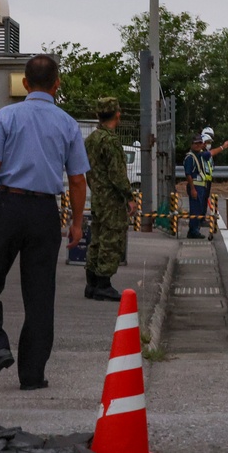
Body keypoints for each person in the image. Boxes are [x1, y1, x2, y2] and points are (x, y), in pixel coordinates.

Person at [0, 54, 89, 390]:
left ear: (24, 83)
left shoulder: (7, 116)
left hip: (7, 206)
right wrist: (76, 223)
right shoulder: (67, 123)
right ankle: (32, 375)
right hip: (45, 213)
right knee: (40, 295)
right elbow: (78, 180)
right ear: (57, 84)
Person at [83, 97, 137, 302]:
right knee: (111, 239)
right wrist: (129, 196)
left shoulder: (91, 140)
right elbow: (117, 174)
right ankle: (104, 283)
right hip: (112, 199)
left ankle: (92, 283)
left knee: (96, 238)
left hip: (97, 196)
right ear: (117, 114)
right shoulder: (110, 141)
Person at [199, 127, 228, 224]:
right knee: (201, 200)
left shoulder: (205, 151)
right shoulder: (202, 152)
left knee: (204, 199)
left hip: (207, 179)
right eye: (208, 140)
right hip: (202, 180)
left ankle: (202, 218)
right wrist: (223, 147)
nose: (209, 142)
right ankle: (200, 219)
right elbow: (211, 153)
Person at [183, 134, 211, 239]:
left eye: (200, 143)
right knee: (195, 210)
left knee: (199, 209)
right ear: (192, 145)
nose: (198, 145)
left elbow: (209, 154)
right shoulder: (190, 157)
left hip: (201, 186)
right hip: (195, 186)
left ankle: (195, 229)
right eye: (196, 144)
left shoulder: (200, 155)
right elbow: (188, 174)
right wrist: (193, 189)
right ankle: (193, 231)